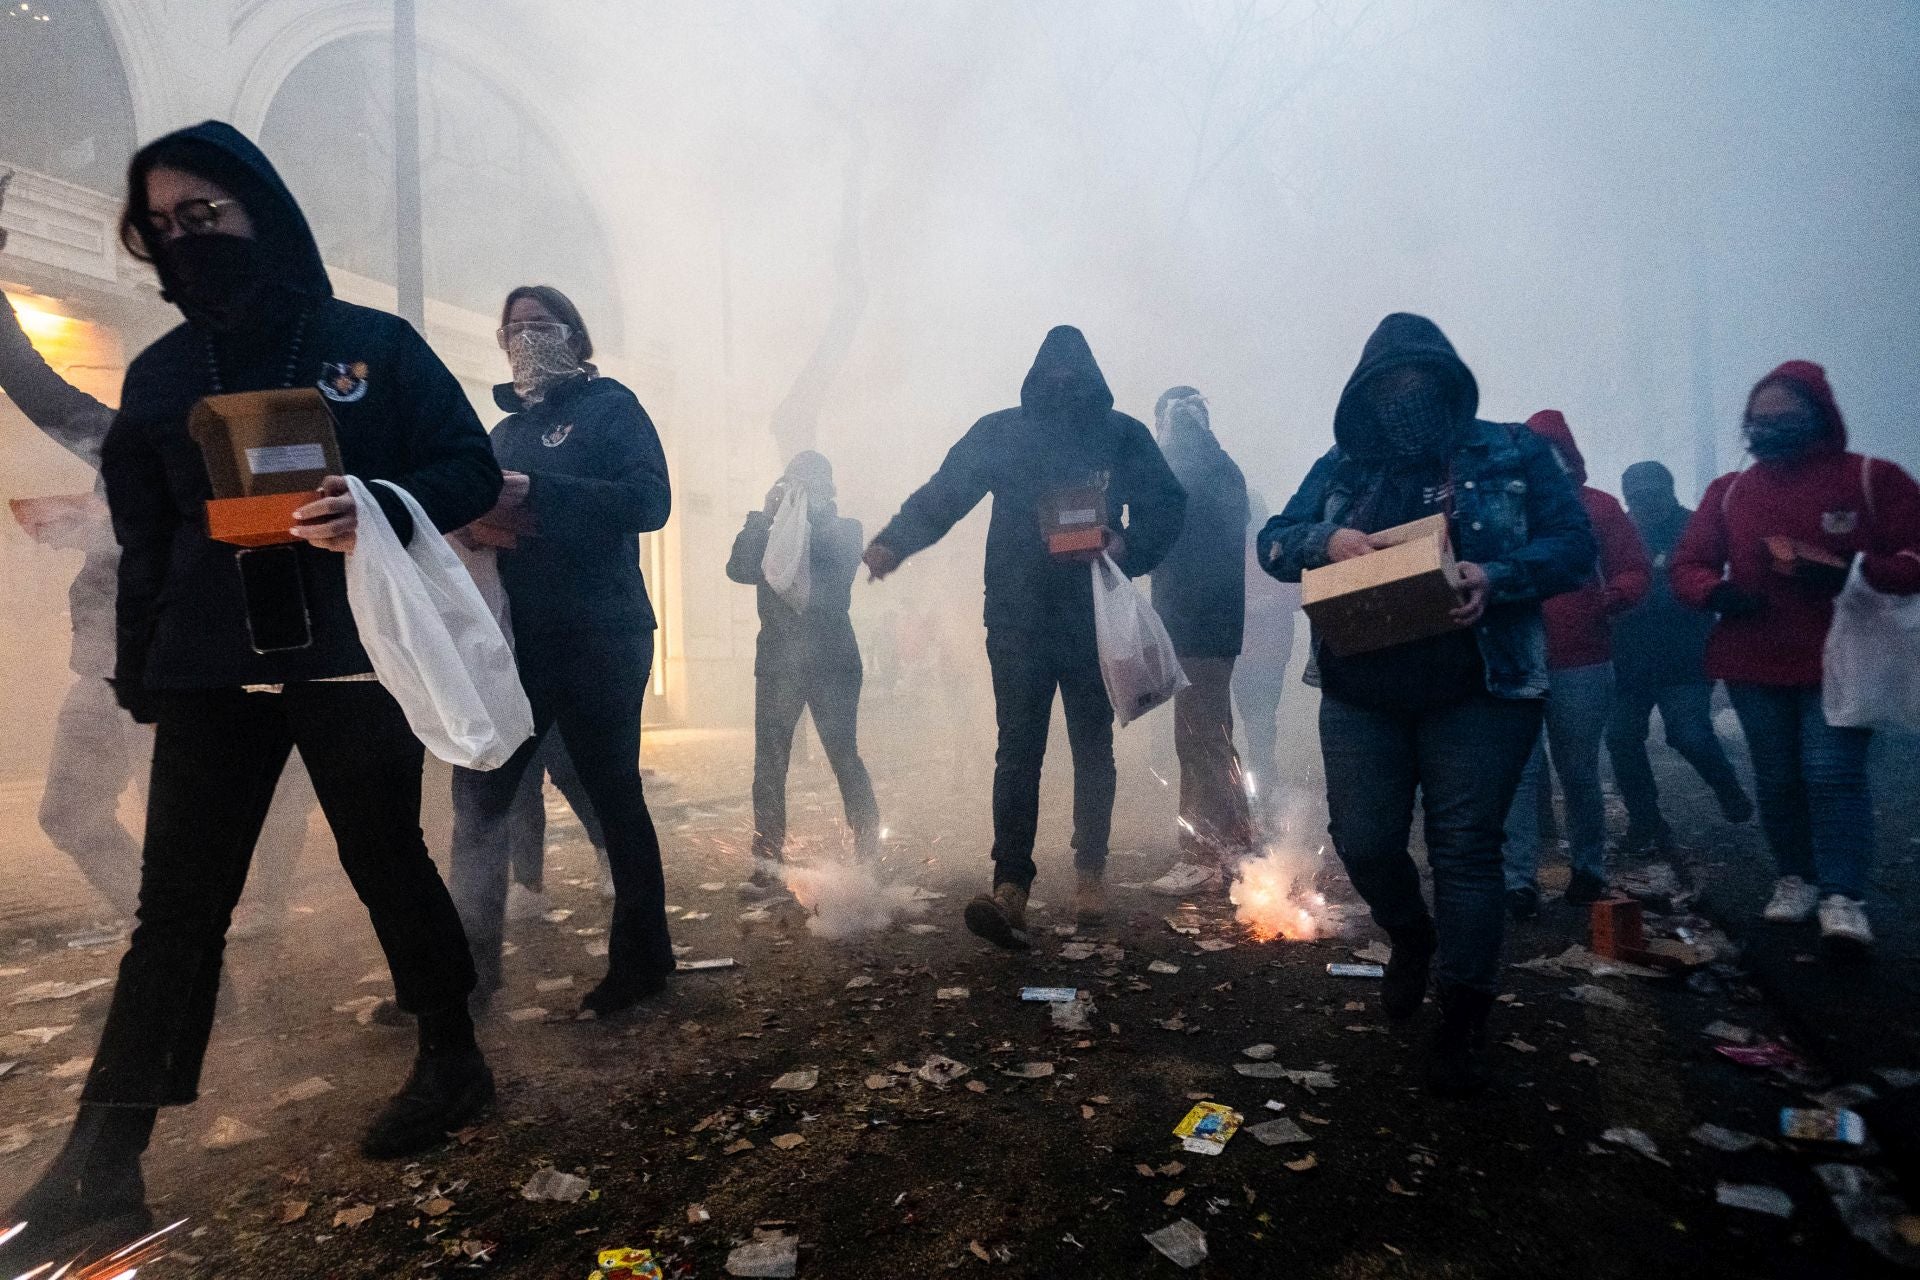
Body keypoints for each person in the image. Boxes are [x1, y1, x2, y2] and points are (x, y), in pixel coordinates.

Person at [0, 122, 503, 1268]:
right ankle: (106, 1149)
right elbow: (145, 531)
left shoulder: (368, 345)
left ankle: (450, 1050)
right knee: (175, 911)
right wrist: (139, 666)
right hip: (213, 674)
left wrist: (371, 498)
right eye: (164, 228)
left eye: (206, 217)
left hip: (348, 652)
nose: (187, 242)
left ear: (260, 212)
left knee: (388, 859)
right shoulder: (165, 374)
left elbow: (467, 464)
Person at [1260, 314, 1593, 1096]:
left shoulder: (1513, 450)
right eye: (1387, 389)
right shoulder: (1340, 467)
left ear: (1447, 382)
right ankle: (1410, 934)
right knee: (1366, 839)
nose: (1403, 402)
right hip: (1361, 686)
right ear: (1365, 395)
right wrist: (1325, 538)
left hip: (1479, 685)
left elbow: (1575, 545)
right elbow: (1274, 542)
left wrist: (1496, 574)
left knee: (1466, 849)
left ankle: (1464, 1008)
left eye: (1418, 386)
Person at [0, 276, 317, 930]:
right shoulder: (118, 437)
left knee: (182, 826)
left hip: (178, 668)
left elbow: (257, 551)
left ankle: (197, 949)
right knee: (69, 814)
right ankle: (166, 929)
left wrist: (109, 526)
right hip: (102, 662)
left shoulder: (247, 445)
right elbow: (28, 378)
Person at [863, 326, 1185, 944]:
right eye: (1053, 375)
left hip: (1093, 618)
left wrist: (1125, 544)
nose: (1063, 385)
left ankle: (1090, 869)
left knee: (1092, 745)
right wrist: (895, 540)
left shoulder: (1121, 435)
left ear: (1090, 379)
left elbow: (1168, 505)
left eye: (1074, 375)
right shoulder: (1001, 433)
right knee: (1018, 749)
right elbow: (945, 494)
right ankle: (1011, 886)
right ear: (1037, 378)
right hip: (1017, 619)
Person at [448, 284, 674, 1015]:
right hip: (520, 639)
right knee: (480, 797)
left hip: (602, 632)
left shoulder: (612, 408)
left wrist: (539, 490)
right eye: (512, 328)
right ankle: (469, 973)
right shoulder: (503, 432)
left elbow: (650, 502)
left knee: (613, 794)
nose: (526, 339)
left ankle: (642, 962)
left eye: (541, 325)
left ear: (575, 335)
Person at [1671, 360, 1920, 955]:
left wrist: (1850, 571)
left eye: (1784, 418)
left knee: (1831, 774)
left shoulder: (1870, 479)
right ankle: (1796, 877)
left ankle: (1842, 895)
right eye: (1758, 419)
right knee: (1779, 779)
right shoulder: (1730, 492)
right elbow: (1688, 564)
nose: (1768, 429)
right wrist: (1715, 592)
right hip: (1754, 660)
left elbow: (1914, 557)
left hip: (1842, 658)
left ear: (1818, 415)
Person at [1499, 411, 1650, 917]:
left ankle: (1587, 869)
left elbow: (1633, 567)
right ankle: (1517, 879)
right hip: (1519, 659)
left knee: (1577, 770)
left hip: (1580, 659)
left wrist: (1613, 598)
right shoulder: (1504, 510)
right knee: (1519, 772)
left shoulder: (1599, 509)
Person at [727, 451, 881, 892]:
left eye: (811, 485)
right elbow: (738, 569)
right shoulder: (772, 533)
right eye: (795, 484)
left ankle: (868, 857)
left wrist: (811, 518)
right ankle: (767, 864)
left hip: (832, 660)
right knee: (770, 763)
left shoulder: (845, 529)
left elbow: (830, 585)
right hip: (778, 661)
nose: (803, 494)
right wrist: (765, 515)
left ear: (827, 490)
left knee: (844, 756)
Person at [1605, 460, 1753, 855]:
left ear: (1669, 492)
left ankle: (1725, 784)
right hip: (1628, 659)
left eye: (1651, 495)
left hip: (1685, 656)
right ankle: (1645, 820)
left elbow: (1706, 579)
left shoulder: (1693, 528)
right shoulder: (1618, 532)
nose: (1644, 504)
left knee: (1688, 735)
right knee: (1620, 738)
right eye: (1636, 497)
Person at [1149, 387, 1254, 874]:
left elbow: (1161, 538)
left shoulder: (1179, 468)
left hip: (1194, 626)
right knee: (1211, 733)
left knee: (1199, 737)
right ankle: (1231, 843)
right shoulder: (1226, 468)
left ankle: (1212, 851)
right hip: (1217, 625)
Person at [1233, 489, 1299, 817]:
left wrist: (1257, 607)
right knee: (1252, 724)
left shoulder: (1273, 552)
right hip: (1242, 655)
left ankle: (1263, 790)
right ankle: (1253, 790)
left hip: (1264, 656)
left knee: (1259, 725)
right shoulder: (1232, 553)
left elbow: (1296, 595)